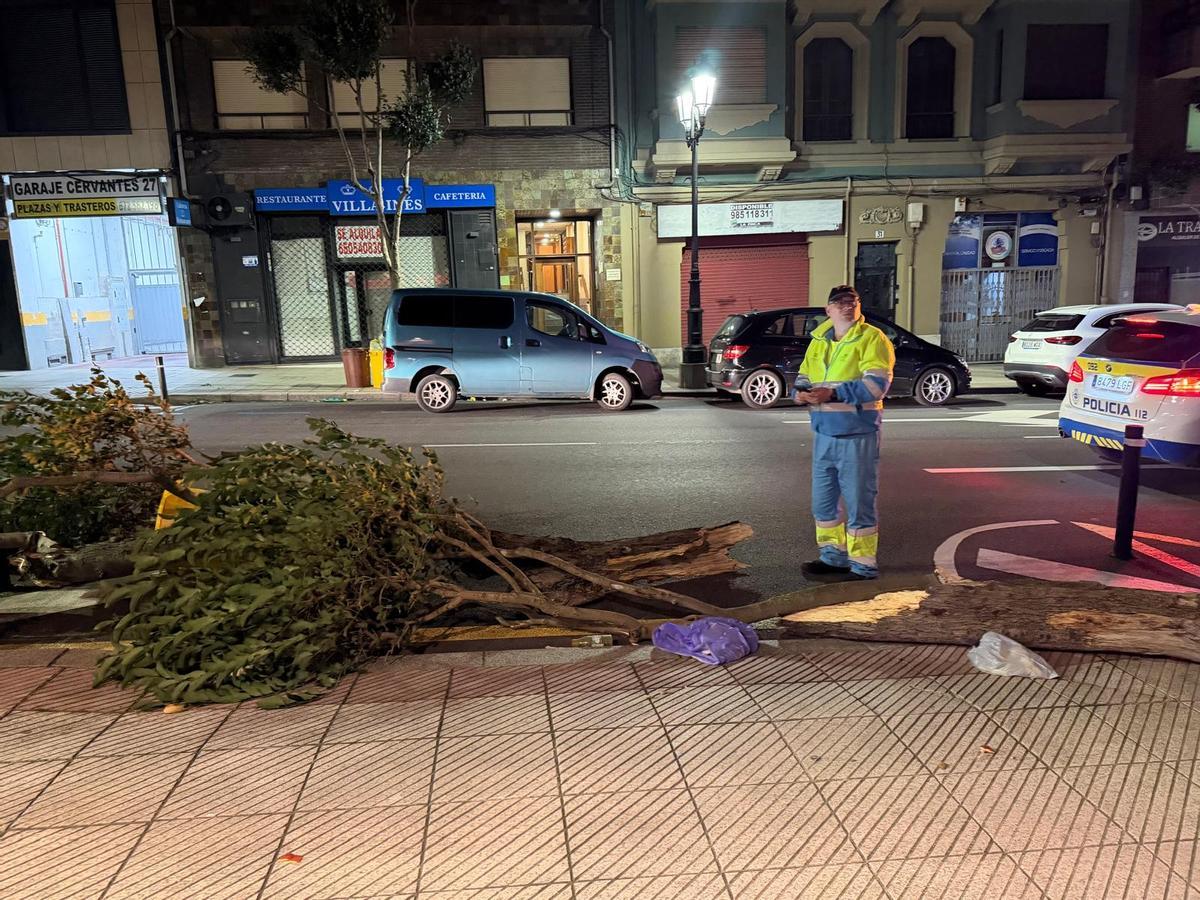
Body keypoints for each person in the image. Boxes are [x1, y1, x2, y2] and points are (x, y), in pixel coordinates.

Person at [793, 285, 895, 580]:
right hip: (824, 433)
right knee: (823, 505)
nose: (847, 306)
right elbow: (803, 377)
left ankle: (863, 565)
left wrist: (831, 395)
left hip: (857, 435)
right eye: (839, 303)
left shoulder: (872, 339)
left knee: (859, 503)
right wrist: (801, 395)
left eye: (853, 302)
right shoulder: (819, 342)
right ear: (828, 310)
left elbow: (876, 386)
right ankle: (833, 558)